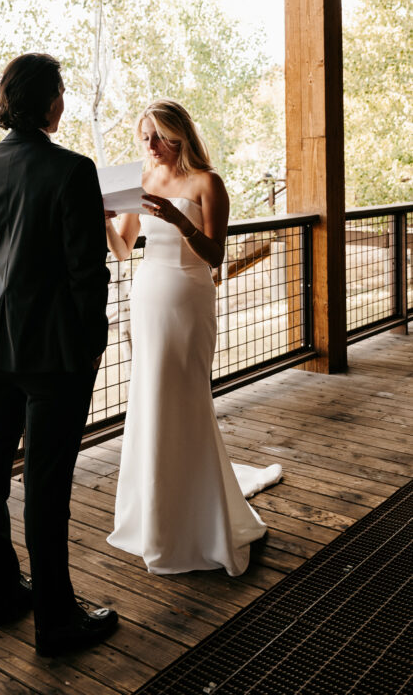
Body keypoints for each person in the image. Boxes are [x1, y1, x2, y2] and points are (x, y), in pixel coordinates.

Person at [0, 52, 119, 656]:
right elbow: (87, 272)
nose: (63, 102)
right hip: (57, 355)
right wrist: (91, 342)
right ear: (48, 100)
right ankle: (56, 622)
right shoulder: (72, 170)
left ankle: (3, 593)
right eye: (61, 91)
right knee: (47, 484)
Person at [104, 99, 281, 576]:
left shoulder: (208, 182)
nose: (151, 146)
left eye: (160, 137)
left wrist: (181, 221)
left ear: (180, 136)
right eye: (145, 137)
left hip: (189, 294)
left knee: (184, 394)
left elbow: (215, 255)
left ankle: (199, 517)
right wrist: (104, 218)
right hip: (148, 295)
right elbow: (122, 250)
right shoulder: (141, 180)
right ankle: (155, 514)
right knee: (150, 396)